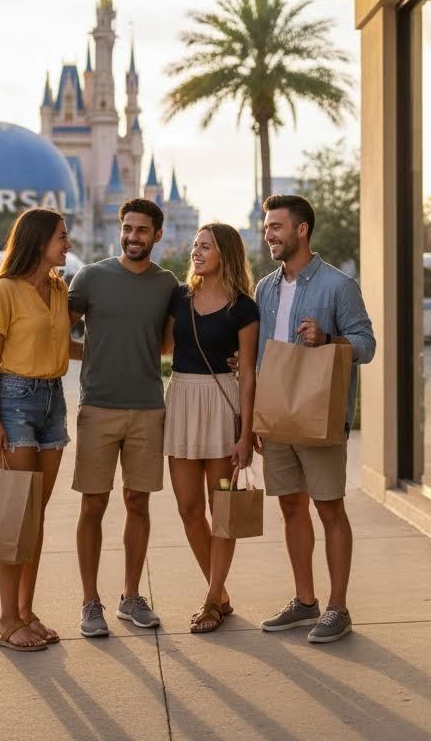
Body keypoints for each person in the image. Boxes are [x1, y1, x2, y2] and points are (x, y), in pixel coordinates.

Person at [254, 194, 375, 643]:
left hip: (319, 414)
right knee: (290, 506)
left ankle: (337, 607)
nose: (269, 234)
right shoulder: (265, 287)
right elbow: (264, 355)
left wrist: (328, 339)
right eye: (267, 227)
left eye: (277, 227)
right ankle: (305, 601)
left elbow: (367, 344)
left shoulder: (339, 285)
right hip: (278, 417)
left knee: (329, 508)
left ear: (301, 230)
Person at [67, 198, 178, 637]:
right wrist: (91, 353)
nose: (134, 237)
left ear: (157, 235)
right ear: (121, 230)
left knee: (138, 502)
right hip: (98, 407)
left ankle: (131, 597)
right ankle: (89, 602)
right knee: (93, 503)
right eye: (128, 229)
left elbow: (167, 345)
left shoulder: (167, 284)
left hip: (147, 408)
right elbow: (56, 331)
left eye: (143, 231)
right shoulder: (91, 277)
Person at [0, 207, 73, 652]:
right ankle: (5, 620)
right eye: (61, 236)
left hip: (53, 400)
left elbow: (65, 345)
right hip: (15, 402)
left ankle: (26, 612)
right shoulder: (4, 290)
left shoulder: (58, 289)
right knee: (17, 516)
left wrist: (122, 353)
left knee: (34, 518)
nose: (67, 243)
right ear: (37, 242)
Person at [161, 223, 259, 633]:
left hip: (222, 407)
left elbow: (249, 374)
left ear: (227, 254)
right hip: (182, 400)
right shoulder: (179, 298)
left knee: (223, 511)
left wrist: (245, 434)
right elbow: (165, 346)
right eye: (195, 246)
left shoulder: (244, 307)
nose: (196, 252)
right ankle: (219, 594)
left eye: (206, 247)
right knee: (188, 507)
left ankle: (211, 599)